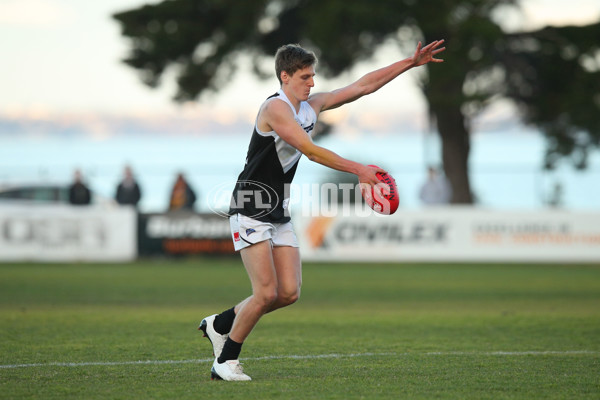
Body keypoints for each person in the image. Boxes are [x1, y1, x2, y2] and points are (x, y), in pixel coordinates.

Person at [199, 40, 445, 381]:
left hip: (278, 209)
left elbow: (361, 87)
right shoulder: (275, 109)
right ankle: (225, 361)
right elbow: (310, 151)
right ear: (284, 77)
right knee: (265, 292)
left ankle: (220, 323)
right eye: (304, 77)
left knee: (288, 293)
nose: (312, 83)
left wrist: (410, 63)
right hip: (250, 205)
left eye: (313, 76)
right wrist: (359, 170)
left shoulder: (309, 107)